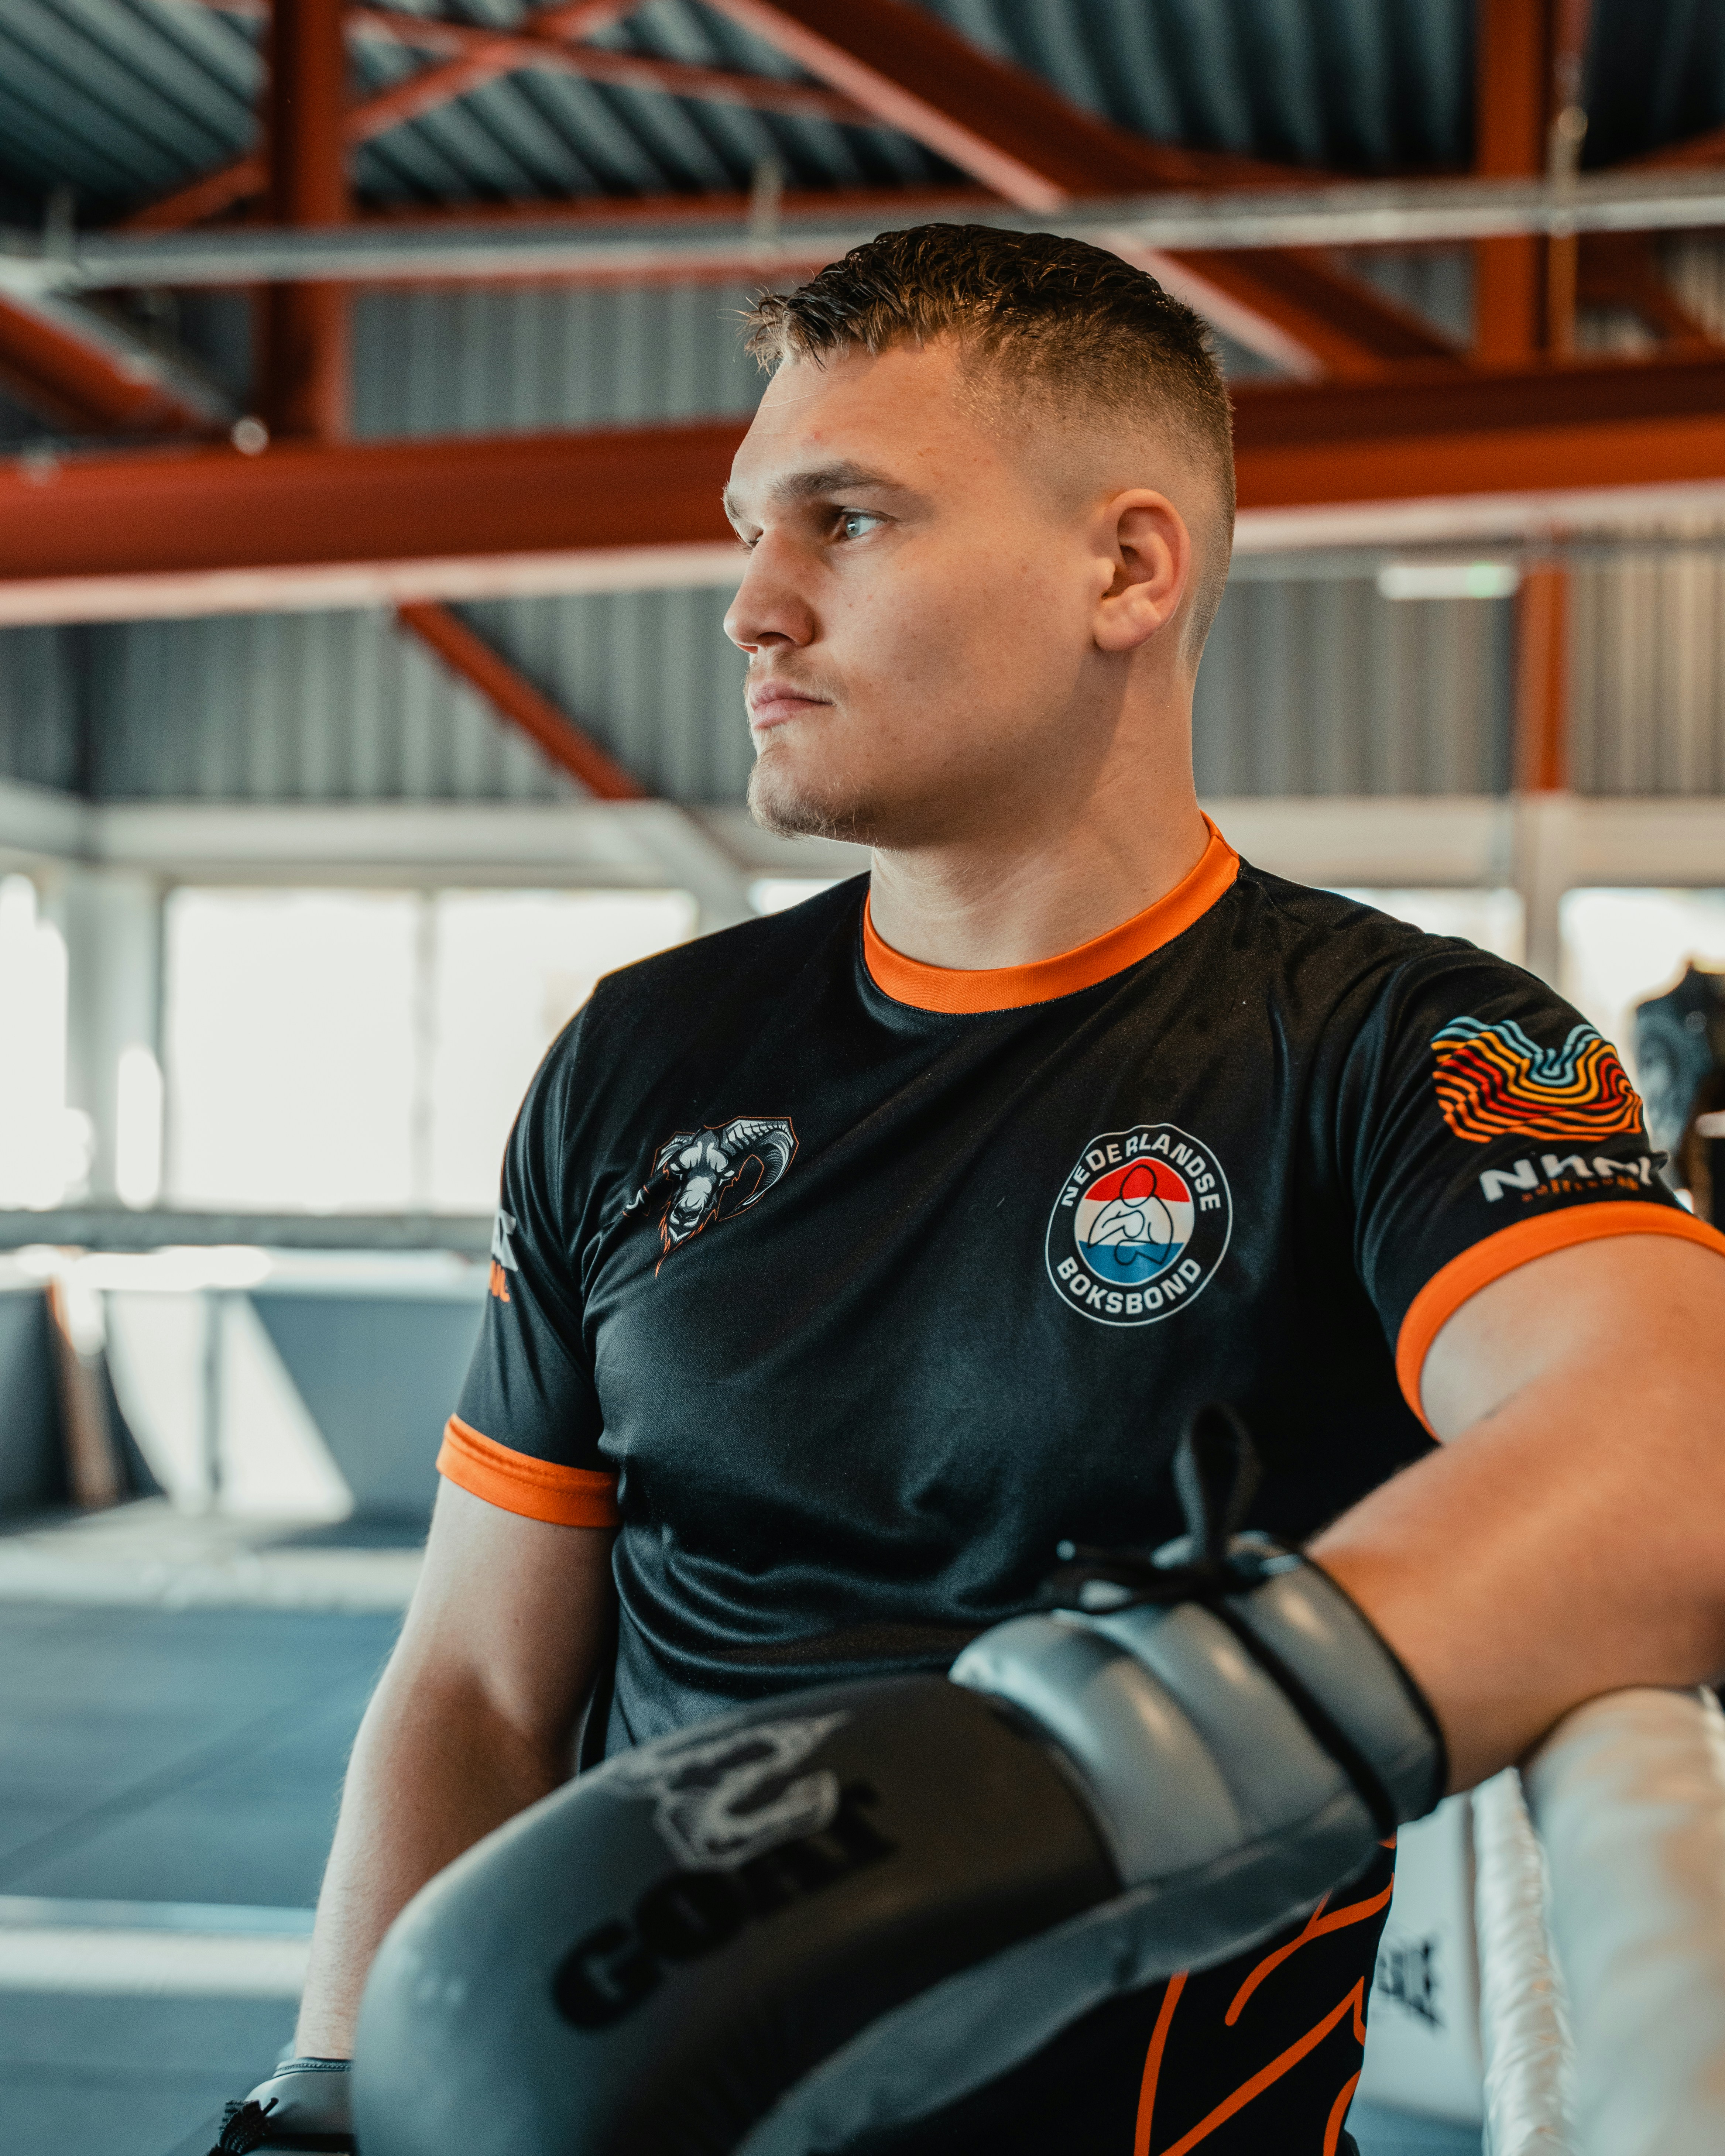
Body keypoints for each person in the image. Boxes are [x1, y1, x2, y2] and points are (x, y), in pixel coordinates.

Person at [270, 227, 1725, 2154]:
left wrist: (1084, 1775)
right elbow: (471, 1676)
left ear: (1127, 568)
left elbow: (1685, 1431)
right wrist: (332, 2094)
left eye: (848, 520)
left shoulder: (1394, 1047)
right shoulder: (641, 1059)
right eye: (749, 527)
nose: (752, 608)